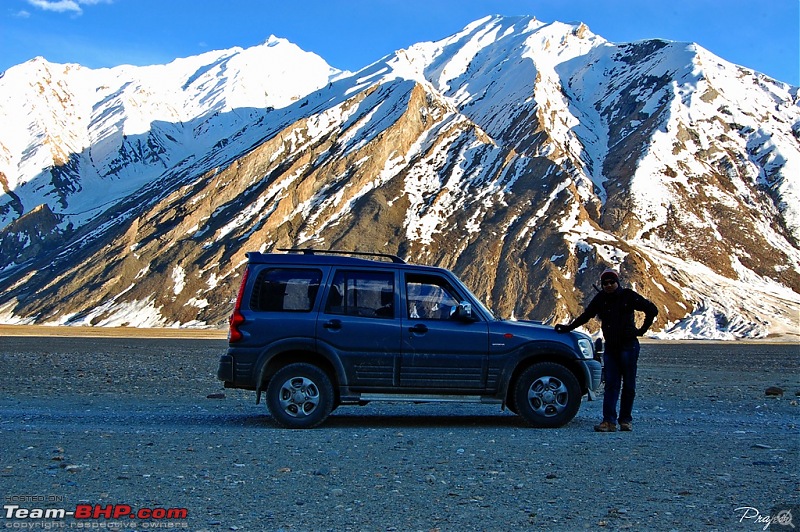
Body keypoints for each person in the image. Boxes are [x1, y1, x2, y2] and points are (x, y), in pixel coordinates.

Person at [554, 269, 658, 432]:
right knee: (611, 384)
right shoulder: (601, 298)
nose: (609, 285)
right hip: (611, 348)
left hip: (628, 347)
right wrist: (569, 328)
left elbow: (652, 310)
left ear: (617, 282)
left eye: (611, 282)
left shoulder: (628, 296)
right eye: (605, 283)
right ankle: (609, 421)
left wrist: (640, 331)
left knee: (629, 385)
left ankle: (625, 420)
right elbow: (586, 315)